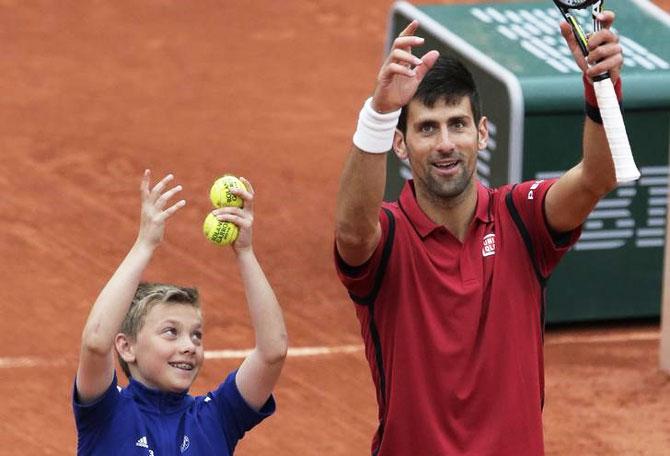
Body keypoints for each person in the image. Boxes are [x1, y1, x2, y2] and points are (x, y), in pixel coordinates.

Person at [334, 13, 624, 456]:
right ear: (400, 144)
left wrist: (602, 87)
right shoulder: (388, 237)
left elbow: (596, 178)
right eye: (427, 128)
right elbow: (352, 232)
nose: (445, 143)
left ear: (481, 133)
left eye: (458, 124)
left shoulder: (521, 219)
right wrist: (378, 114)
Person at [73, 170, 288, 455]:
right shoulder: (106, 413)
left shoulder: (217, 417)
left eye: (196, 335)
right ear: (126, 346)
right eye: (171, 332)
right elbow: (96, 342)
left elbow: (273, 351)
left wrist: (245, 252)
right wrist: (144, 244)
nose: (189, 346)